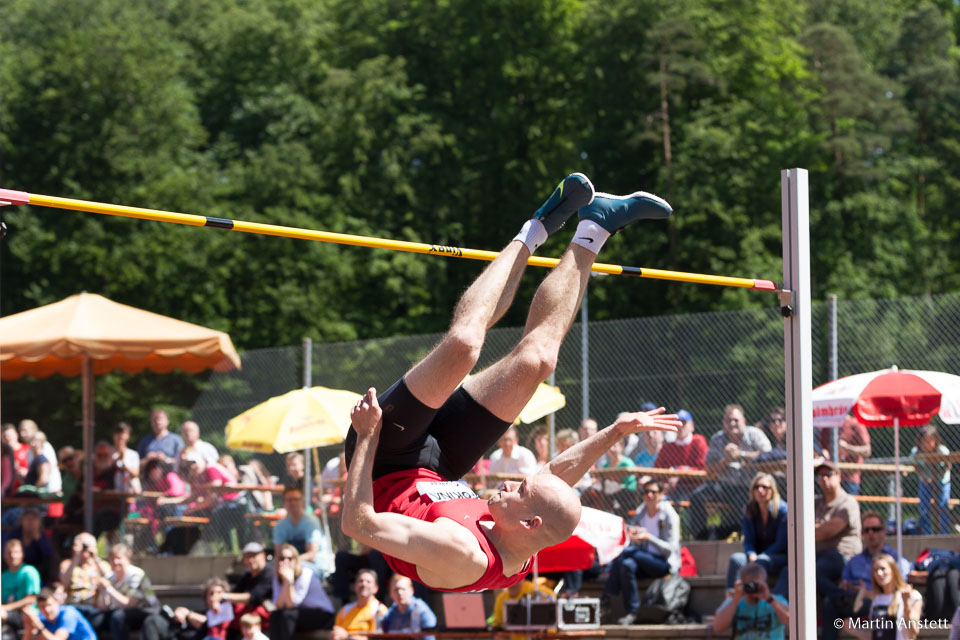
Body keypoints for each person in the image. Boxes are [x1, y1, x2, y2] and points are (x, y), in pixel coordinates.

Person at [342, 174, 678, 592]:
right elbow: (556, 475)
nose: (504, 483)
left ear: (528, 521)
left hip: (383, 458)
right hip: (441, 466)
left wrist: (367, 435)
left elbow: (359, 524)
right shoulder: (527, 532)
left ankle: (533, 228)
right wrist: (615, 432)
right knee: (538, 361)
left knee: (464, 345)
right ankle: (595, 227)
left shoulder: (461, 551)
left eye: (518, 488)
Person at [822, 510, 912, 640]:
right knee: (830, 602)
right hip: (855, 600)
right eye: (867, 530)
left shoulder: (895, 558)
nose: (871, 533)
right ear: (862, 534)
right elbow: (845, 582)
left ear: (883, 531)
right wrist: (848, 586)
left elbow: (900, 584)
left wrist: (869, 591)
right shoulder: (854, 561)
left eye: (875, 529)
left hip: (880, 600)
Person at [602, 478, 681, 625]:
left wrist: (648, 538)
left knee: (626, 555)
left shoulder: (670, 515)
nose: (650, 495)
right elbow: (636, 541)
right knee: (626, 564)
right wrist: (634, 537)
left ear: (661, 494)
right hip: (643, 561)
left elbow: (671, 549)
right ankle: (632, 613)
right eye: (646, 492)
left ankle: (607, 595)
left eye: (654, 492)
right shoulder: (641, 513)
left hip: (664, 563)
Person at [689, 404, 771, 540]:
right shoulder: (717, 439)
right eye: (728, 420)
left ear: (743, 421)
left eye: (736, 420)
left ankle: (718, 533)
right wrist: (726, 460)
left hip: (749, 487)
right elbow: (709, 470)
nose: (732, 424)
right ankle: (701, 537)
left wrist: (741, 454)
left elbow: (768, 455)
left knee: (743, 505)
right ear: (724, 423)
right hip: (724, 486)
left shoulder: (755, 434)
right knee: (696, 496)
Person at [724, 473, 788, 596]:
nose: (760, 490)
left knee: (762, 561)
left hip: (778, 557)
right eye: (756, 487)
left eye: (765, 487)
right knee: (736, 559)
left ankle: (754, 599)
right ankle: (730, 600)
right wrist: (751, 554)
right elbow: (748, 540)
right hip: (756, 557)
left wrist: (759, 557)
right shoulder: (749, 509)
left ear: (772, 490)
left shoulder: (783, 511)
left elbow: (781, 543)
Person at [815, 460, 862, 608]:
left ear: (839, 476)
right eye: (820, 476)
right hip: (818, 554)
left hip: (843, 556)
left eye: (829, 474)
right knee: (788, 569)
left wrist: (816, 528)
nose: (824, 479)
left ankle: (841, 597)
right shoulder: (814, 502)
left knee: (810, 571)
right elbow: (796, 528)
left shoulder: (848, 503)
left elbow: (824, 533)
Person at [89, 544, 159, 640]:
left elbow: (130, 604)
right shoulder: (110, 577)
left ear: (127, 559)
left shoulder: (136, 574)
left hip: (147, 611)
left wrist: (108, 588)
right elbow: (103, 608)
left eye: (118, 558)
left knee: (118, 616)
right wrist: (102, 591)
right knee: (96, 618)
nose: (115, 562)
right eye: (112, 559)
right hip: (120, 612)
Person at [845, 554, 922, 640]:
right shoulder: (877, 599)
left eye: (882, 568)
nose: (879, 573)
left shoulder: (911, 595)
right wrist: (855, 631)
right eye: (875, 570)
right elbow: (876, 636)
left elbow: (912, 634)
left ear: (893, 570)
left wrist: (907, 606)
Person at [269, 544, 334, 640]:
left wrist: (289, 581)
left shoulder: (306, 574)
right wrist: (286, 582)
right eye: (282, 558)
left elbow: (292, 604)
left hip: (323, 615)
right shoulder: (277, 576)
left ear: (296, 560)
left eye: (289, 558)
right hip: (300, 614)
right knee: (275, 616)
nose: (286, 562)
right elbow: (279, 605)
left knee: (287, 615)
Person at [712, 562, 789, 640]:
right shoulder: (734, 601)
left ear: (765, 583)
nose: (753, 588)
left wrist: (769, 599)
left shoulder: (776, 600)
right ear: (741, 584)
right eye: (749, 585)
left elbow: (791, 621)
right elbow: (717, 628)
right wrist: (735, 600)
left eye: (756, 585)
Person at [274, 486, 330, 577]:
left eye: (296, 499)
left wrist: (289, 562)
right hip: (293, 563)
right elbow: (278, 554)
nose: (293, 502)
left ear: (302, 501)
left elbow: (311, 555)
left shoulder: (311, 522)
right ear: (284, 502)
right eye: (289, 500)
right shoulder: (280, 525)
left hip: (316, 566)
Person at [222, 542, 275, 639]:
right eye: (247, 557)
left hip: (266, 617)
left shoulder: (270, 572)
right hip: (245, 618)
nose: (250, 560)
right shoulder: (247, 574)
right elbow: (236, 593)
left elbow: (253, 598)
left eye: (253, 556)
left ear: (263, 555)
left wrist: (224, 596)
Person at [654, 409, 707, 501]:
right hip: (670, 490)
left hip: (694, 489)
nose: (681, 426)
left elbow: (703, 468)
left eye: (684, 423)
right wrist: (665, 483)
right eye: (677, 424)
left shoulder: (698, 442)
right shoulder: (667, 447)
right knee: (657, 499)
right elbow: (658, 469)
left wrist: (679, 473)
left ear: (692, 426)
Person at [58, 532, 113, 621]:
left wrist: (95, 557)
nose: (85, 549)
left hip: (94, 608)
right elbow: (65, 582)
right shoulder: (67, 564)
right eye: (82, 546)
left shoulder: (101, 565)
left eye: (87, 546)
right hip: (73, 608)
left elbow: (111, 579)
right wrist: (76, 558)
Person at [910, 425, 951, 535]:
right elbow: (915, 466)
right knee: (924, 508)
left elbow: (948, 466)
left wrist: (936, 476)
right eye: (924, 441)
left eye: (930, 441)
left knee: (943, 506)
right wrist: (923, 477)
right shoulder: (916, 452)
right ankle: (927, 533)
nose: (927, 444)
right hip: (925, 481)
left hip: (942, 481)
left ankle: (944, 534)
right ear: (919, 441)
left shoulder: (942, 451)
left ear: (935, 440)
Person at [820, 413, 871, 496]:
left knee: (848, 506)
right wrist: (823, 452)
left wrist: (847, 448)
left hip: (849, 478)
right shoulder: (828, 425)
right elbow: (822, 446)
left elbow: (867, 450)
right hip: (829, 477)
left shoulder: (855, 424)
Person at [330, 569, 387, 640]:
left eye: (368, 582)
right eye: (361, 581)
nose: (364, 584)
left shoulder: (379, 610)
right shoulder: (345, 609)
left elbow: (377, 638)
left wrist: (347, 637)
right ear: (355, 586)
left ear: (376, 588)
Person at [491, 577, 555, 640]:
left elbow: (552, 630)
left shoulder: (543, 593)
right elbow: (498, 627)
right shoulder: (501, 598)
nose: (507, 574)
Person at [22, 587, 96, 640]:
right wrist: (28, 625)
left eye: (49, 605)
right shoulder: (41, 618)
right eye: (42, 607)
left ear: (56, 603)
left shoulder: (68, 613)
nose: (47, 610)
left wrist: (37, 623)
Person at [1, 539, 42, 637]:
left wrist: (6, 608)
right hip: (8, 614)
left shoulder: (29, 572)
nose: (13, 556)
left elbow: (31, 599)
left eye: (16, 552)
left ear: (22, 554)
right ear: (4, 556)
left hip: (27, 614)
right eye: (9, 553)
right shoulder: (3, 576)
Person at [8, 506, 58, 584]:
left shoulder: (41, 536)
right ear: (22, 521)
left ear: (39, 523)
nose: (30, 522)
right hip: (14, 570)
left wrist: (38, 538)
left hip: (38, 572)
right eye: (27, 519)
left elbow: (50, 554)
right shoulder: (15, 534)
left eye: (34, 519)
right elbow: (6, 551)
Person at [19, 420, 62, 494]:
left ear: (34, 430)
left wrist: (33, 492)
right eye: (20, 431)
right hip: (43, 493)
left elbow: (44, 476)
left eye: (25, 430)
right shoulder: (30, 449)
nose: (22, 434)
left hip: (48, 493)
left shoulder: (44, 447)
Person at [110, 423, 141, 494]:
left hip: (128, 493)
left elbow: (135, 473)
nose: (121, 436)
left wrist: (125, 466)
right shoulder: (107, 453)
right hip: (110, 493)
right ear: (114, 435)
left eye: (123, 433)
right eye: (118, 433)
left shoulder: (133, 454)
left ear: (128, 436)